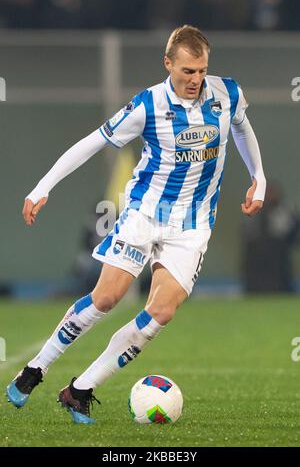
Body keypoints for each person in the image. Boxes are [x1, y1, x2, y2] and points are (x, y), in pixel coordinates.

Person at [6, 25, 266, 424]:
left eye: (201, 70)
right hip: (145, 215)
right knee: (106, 298)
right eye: (187, 72)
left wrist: (258, 178)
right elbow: (93, 142)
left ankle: (80, 390)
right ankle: (35, 369)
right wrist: (44, 186)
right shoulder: (148, 106)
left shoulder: (227, 92)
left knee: (161, 312)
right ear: (168, 64)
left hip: (193, 224)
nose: (196, 80)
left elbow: (242, 127)